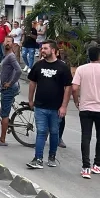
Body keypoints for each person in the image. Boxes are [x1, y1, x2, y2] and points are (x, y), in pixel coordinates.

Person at [72, 46, 100, 179]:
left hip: (85, 107)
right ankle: (98, 164)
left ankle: (85, 167)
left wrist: (76, 101)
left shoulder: (81, 69)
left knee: (85, 137)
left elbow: (74, 88)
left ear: (88, 56)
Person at [27, 40, 73, 169]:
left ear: (53, 50)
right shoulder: (38, 65)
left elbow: (68, 87)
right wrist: (31, 100)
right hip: (40, 106)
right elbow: (32, 83)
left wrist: (64, 106)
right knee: (41, 132)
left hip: (56, 107)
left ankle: (52, 156)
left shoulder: (62, 67)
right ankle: (38, 158)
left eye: (45, 48)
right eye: (42, 48)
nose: (42, 51)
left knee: (54, 133)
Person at [0, 36, 20, 146]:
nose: (7, 43)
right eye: (5, 41)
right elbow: (2, 73)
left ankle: (2, 139)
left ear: (13, 44)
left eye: (9, 42)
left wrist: (10, 83)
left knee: (5, 114)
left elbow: (19, 71)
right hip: (4, 85)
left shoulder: (11, 57)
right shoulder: (6, 56)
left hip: (9, 88)